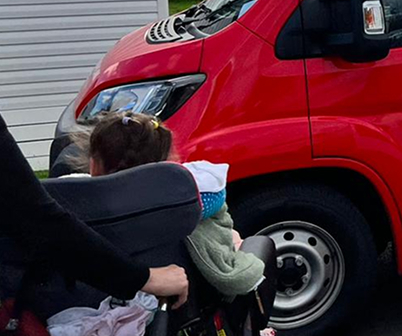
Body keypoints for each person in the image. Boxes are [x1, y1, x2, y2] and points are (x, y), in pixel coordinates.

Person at [0, 111, 188, 305]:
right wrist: (144, 278)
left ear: (93, 162)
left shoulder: (64, 195)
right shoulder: (170, 207)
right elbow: (33, 214)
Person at [79, 113, 264, 299]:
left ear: (94, 165)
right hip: (179, 292)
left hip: (104, 291)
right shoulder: (184, 201)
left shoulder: (78, 204)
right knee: (252, 243)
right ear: (169, 161)